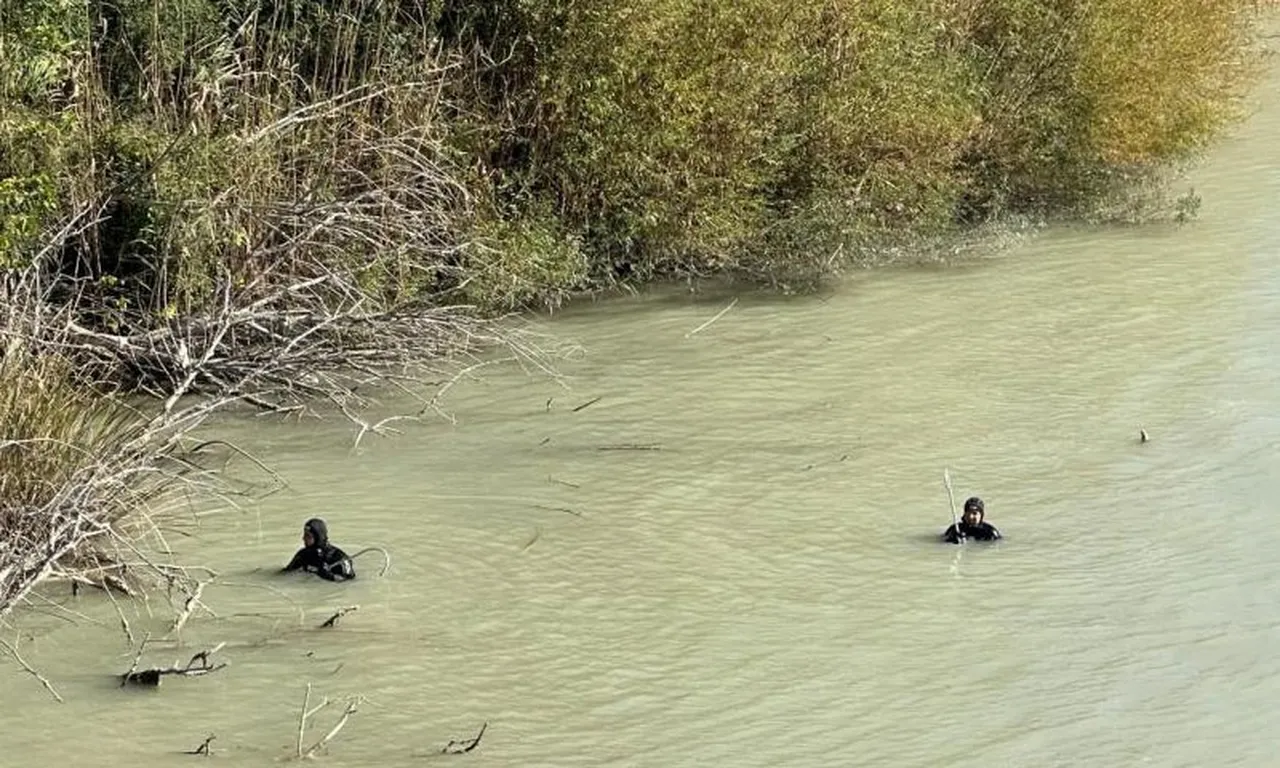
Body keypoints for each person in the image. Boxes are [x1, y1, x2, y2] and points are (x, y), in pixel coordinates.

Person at [282, 518, 356, 581]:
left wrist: (330, 576)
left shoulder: (340, 558)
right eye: (304, 535)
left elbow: (349, 583)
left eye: (308, 536)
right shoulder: (303, 555)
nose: (303, 538)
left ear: (318, 537)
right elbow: (286, 573)